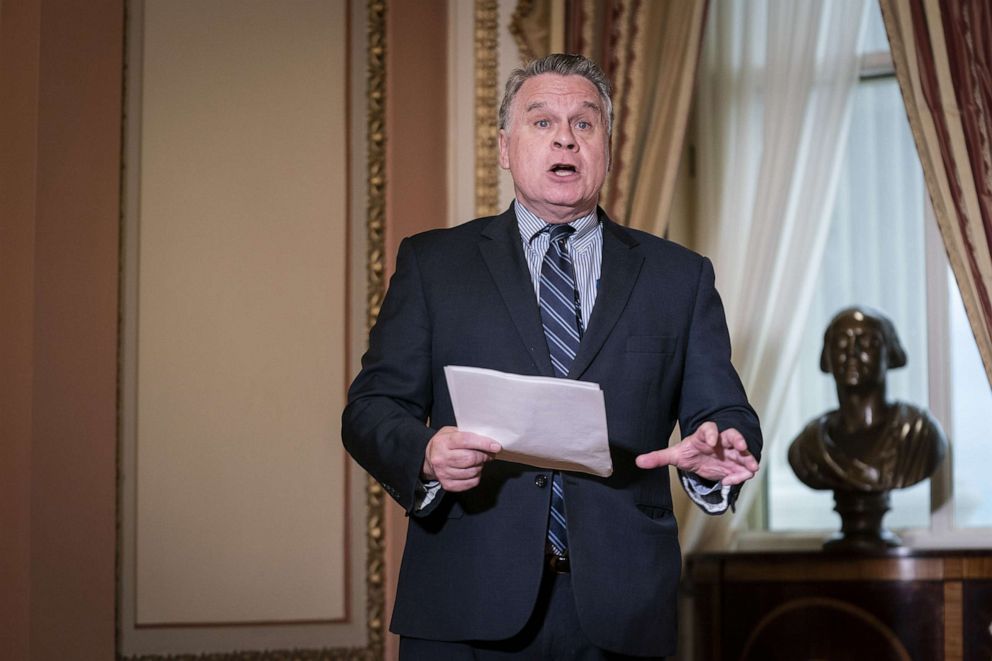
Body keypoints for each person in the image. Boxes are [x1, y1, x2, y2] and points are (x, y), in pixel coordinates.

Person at [342, 54, 761, 659]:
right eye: (542, 122)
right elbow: (371, 408)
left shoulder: (679, 277)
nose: (565, 136)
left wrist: (717, 450)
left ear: (607, 150)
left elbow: (724, 412)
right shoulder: (435, 265)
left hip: (622, 609)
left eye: (585, 123)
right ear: (506, 147)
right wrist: (426, 454)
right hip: (464, 602)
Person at [788, 306, 947, 492]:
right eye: (840, 343)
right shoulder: (808, 447)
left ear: (889, 354)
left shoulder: (919, 435)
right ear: (827, 357)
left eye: (867, 343)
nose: (852, 352)